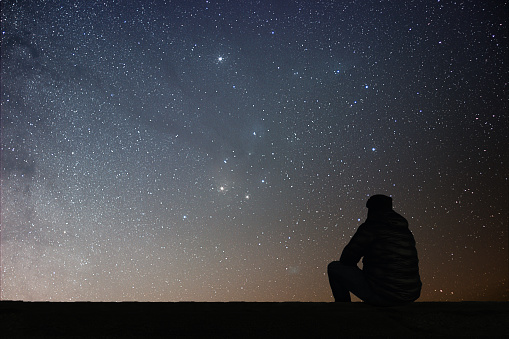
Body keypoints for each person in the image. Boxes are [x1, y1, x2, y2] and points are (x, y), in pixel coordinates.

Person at [328, 194, 422, 306]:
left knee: (334, 267)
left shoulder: (371, 227)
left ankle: (343, 309)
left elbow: (347, 259)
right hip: (410, 294)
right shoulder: (404, 230)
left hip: (385, 295)